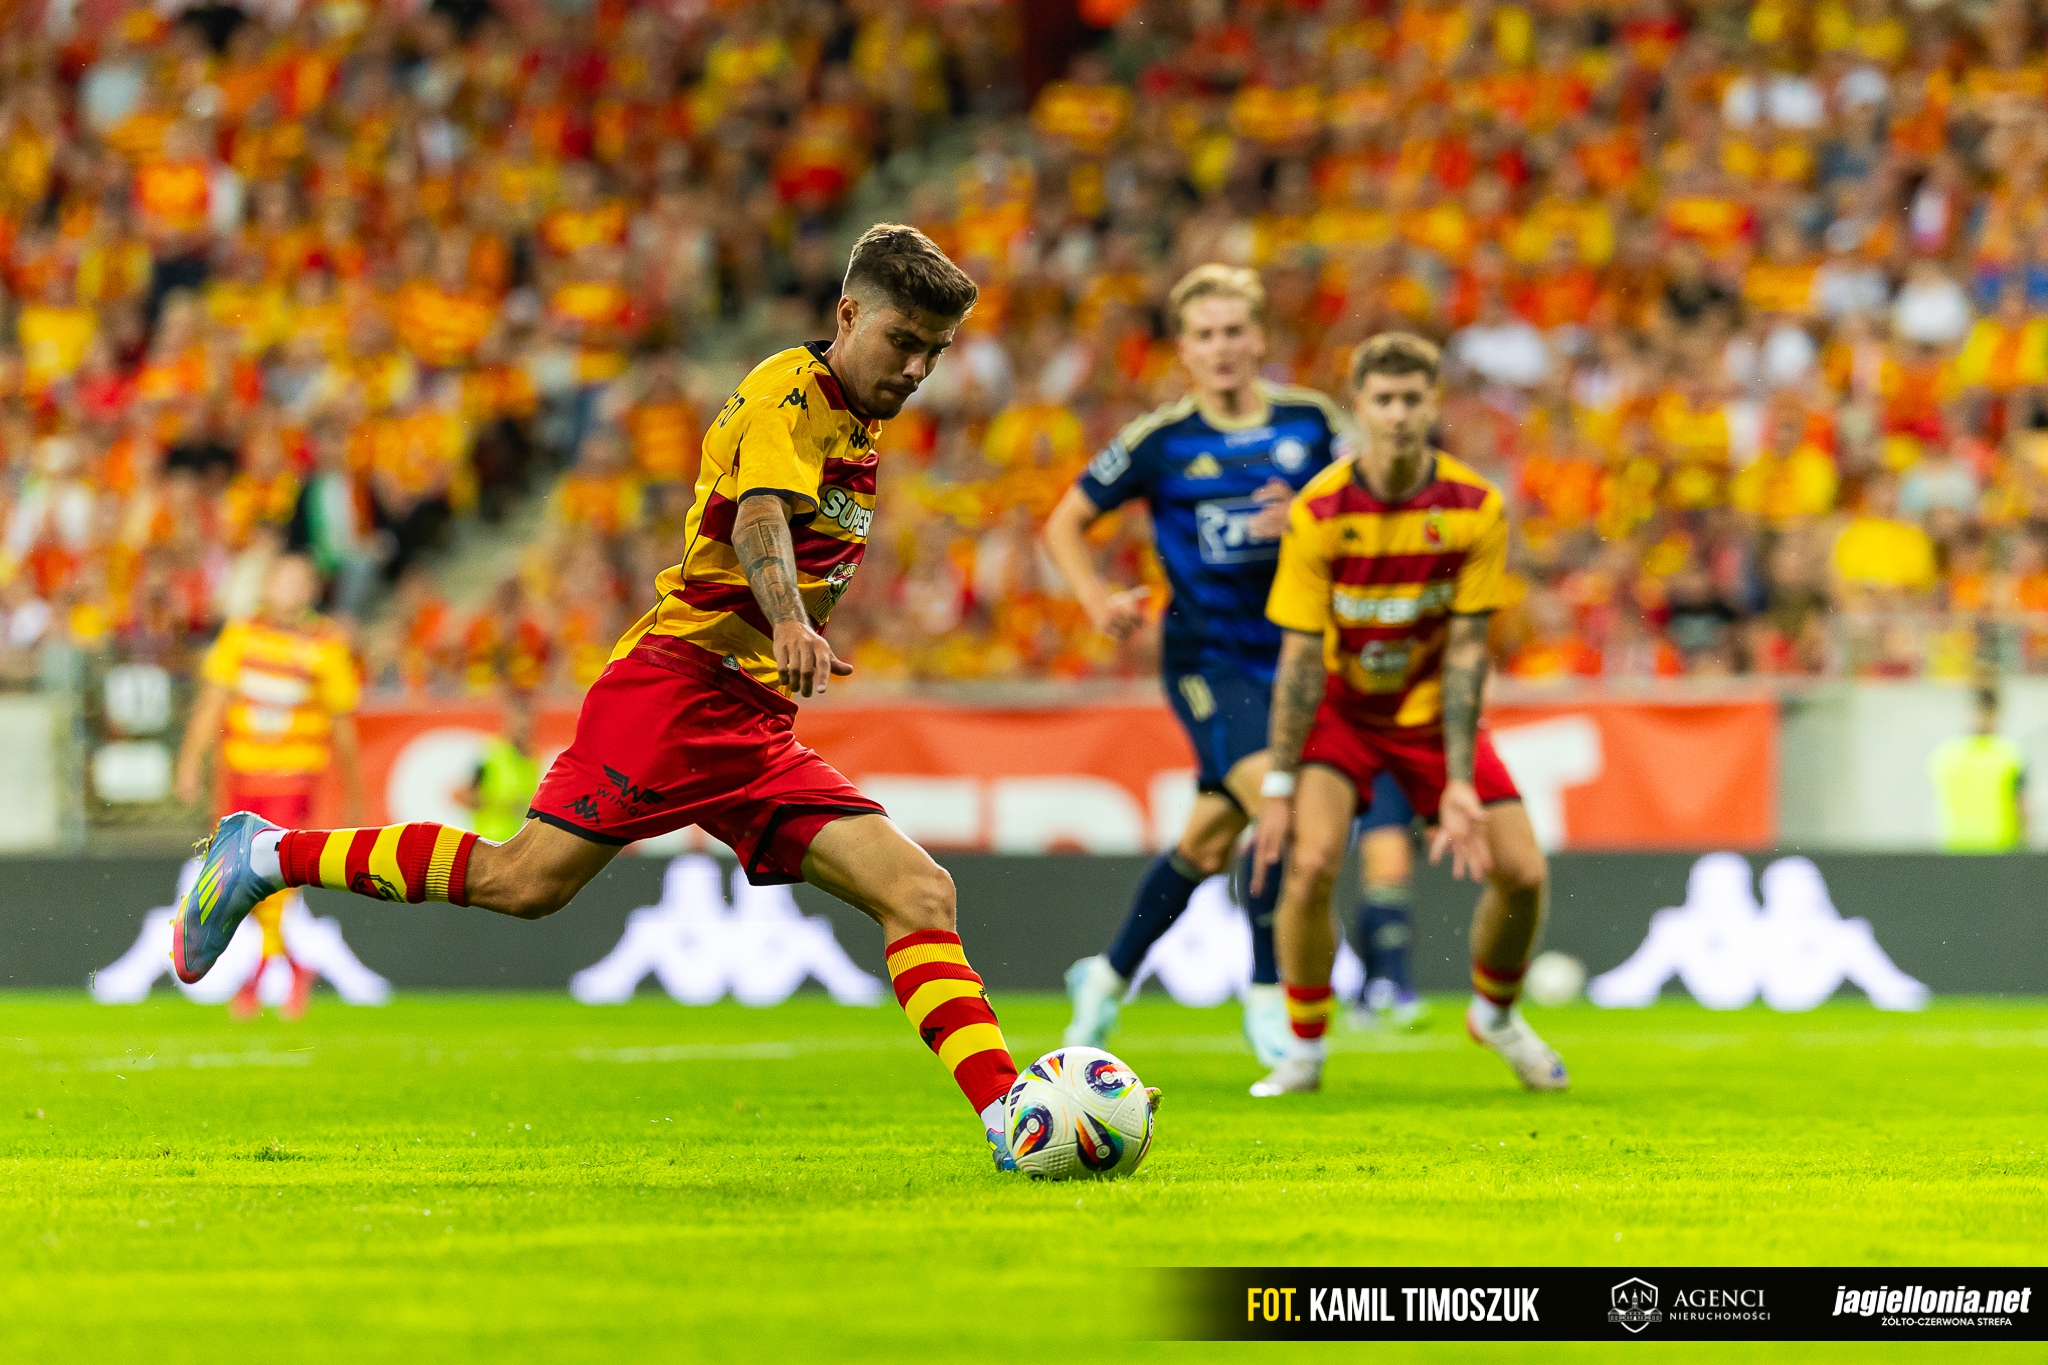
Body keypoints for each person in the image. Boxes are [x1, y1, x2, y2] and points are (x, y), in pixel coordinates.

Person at [174, 225, 1084, 1169]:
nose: (919, 368)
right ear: (849, 313)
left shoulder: (857, 419)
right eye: (904, 341)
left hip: (752, 720)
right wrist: (789, 620)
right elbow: (759, 516)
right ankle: (266, 853)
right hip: (676, 692)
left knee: (919, 890)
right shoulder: (789, 397)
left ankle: (1009, 1120)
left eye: (936, 350)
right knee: (524, 882)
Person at [1045, 264, 1353, 1064]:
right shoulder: (1161, 440)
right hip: (1208, 660)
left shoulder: (1314, 422)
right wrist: (1096, 600)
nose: (1221, 347)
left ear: (1259, 337)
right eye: (1205, 334)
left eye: (1233, 331)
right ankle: (1267, 995)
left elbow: (1365, 514)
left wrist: (1310, 519)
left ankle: (1105, 978)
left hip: (1297, 657)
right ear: (1183, 348)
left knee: (1210, 842)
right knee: (1281, 808)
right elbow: (1064, 522)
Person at [1250, 331, 1569, 1096]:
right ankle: (1305, 1048)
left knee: (1523, 872)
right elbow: (1300, 659)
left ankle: (1494, 1012)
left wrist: (1457, 780)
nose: (1397, 414)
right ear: (1359, 408)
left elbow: (1467, 650)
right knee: (1311, 865)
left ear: (1434, 406)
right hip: (1341, 710)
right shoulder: (1319, 510)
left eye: (1411, 400)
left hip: (1428, 711)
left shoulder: (1474, 507)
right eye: (1383, 400)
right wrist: (1279, 784)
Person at [172, 553, 364, 1019]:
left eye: (300, 581)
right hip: (239, 777)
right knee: (239, 878)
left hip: (292, 778)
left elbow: (342, 724)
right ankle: (293, 965)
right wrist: (189, 763)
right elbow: (213, 702)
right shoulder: (242, 634)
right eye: (283, 580)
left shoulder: (328, 645)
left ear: (313, 591)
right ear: (267, 586)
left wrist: (354, 791)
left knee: (272, 875)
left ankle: (258, 978)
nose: (290, 589)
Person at [1351, 772, 1428, 1028]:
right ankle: (1400, 989)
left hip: (1428, 766)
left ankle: (1365, 994)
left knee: (1391, 882)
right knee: (1388, 873)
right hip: (1387, 766)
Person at [1930, 686, 2027, 853]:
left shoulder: (1945, 755)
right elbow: (2022, 809)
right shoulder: (2010, 755)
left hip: (1956, 850)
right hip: (2000, 851)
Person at [460, 690, 545, 843]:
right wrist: (503, 805)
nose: (525, 728)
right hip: (489, 841)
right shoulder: (490, 754)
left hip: (517, 843)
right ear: (508, 723)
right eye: (520, 724)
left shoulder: (533, 759)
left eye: (528, 724)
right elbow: (466, 796)